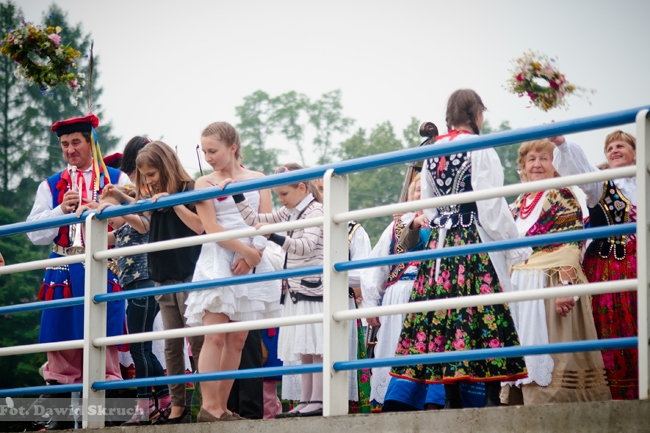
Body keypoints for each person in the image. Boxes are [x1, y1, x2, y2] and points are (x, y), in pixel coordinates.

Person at [390, 89, 530, 408]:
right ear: (476, 114)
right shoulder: (479, 148)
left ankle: (452, 400)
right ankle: (492, 398)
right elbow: (491, 207)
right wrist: (514, 244)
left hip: (442, 244)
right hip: (472, 239)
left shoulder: (434, 151)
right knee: (486, 312)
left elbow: (430, 206)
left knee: (444, 315)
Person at [26, 113, 130, 429]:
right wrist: (60, 210)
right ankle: (60, 418)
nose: (70, 150)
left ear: (90, 142)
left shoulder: (117, 179)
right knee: (61, 342)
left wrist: (107, 208)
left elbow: (135, 224)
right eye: (64, 144)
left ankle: (107, 416)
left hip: (102, 265)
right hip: (62, 268)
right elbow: (34, 234)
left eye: (75, 142)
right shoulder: (51, 185)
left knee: (105, 340)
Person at [183, 122, 281, 422]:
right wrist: (245, 252)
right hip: (219, 258)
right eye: (204, 151)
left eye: (213, 151)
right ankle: (208, 405)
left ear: (232, 148)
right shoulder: (204, 182)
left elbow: (266, 221)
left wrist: (253, 255)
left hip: (252, 258)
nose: (208, 157)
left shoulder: (259, 179)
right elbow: (210, 227)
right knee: (214, 335)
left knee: (238, 339)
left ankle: (222, 407)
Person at [500, 139, 610, 405]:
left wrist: (566, 286)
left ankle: (551, 406)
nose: (537, 164)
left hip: (549, 282)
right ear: (523, 167)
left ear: (555, 166)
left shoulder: (561, 195)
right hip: (520, 285)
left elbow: (570, 242)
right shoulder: (519, 202)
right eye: (531, 159)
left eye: (544, 158)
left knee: (551, 358)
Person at [221, 163, 325, 417]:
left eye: (284, 194)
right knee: (305, 348)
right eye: (278, 195)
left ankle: (319, 399)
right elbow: (255, 220)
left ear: (302, 188)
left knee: (316, 347)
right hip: (297, 289)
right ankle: (307, 399)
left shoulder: (316, 211)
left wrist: (273, 236)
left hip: (313, 288)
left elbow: (306, 246)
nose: (281, 200)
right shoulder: (291, 212)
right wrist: (238, 194)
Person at [552, 131, 638, 400]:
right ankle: (615, 393)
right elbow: (581, 170)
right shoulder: (601, 183)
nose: (614, 150)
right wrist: (562, 145)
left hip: (640, 264)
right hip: (608, 266)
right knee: (610, 325)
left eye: (620, 145)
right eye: (609, 147)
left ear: (635, 153)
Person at [77, 183, 172, 424]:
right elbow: (94, 242)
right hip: (134, 289)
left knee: (138, 349)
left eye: (111, 211)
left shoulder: (139, 222)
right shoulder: (119, 232)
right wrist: (87, 216)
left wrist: (116, 204)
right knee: (143, 349)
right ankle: (164, 399)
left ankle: (144, 405)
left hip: (145, 286)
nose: (108, 217)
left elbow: (143, 224)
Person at [134, 140, 205, 423]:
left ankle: (205, 403)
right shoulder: (152, 195)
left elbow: (199, 226)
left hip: (189, 275)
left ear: (166, 167)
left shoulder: (191, 188)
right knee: (171, 345)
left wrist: (172, 201)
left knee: (199, 343)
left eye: (152, 174)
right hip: (163, 278)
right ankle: (178, 406)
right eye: (145, 176)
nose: (149, 181)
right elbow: (144, 222)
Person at [361, 174, 436, 408]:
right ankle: (393, 399)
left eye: (427, 189)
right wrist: (371, 304)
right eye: (417, 190)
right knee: (394, 347)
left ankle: (428, 400)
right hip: (397, 296)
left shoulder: (444, 224)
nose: (421, 194)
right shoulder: (396, 226)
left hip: (431, 295)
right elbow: (377, 266)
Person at [312, 177, 373, 412]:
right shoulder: (302, 226)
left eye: (326, 189)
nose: (321, 194)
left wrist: (332, 273)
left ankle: (340, 406)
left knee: (338, 355)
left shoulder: (353, 230)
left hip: (339, 301)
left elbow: (363, 273)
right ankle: (309, 402)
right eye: (318, 189)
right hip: (307, 302)